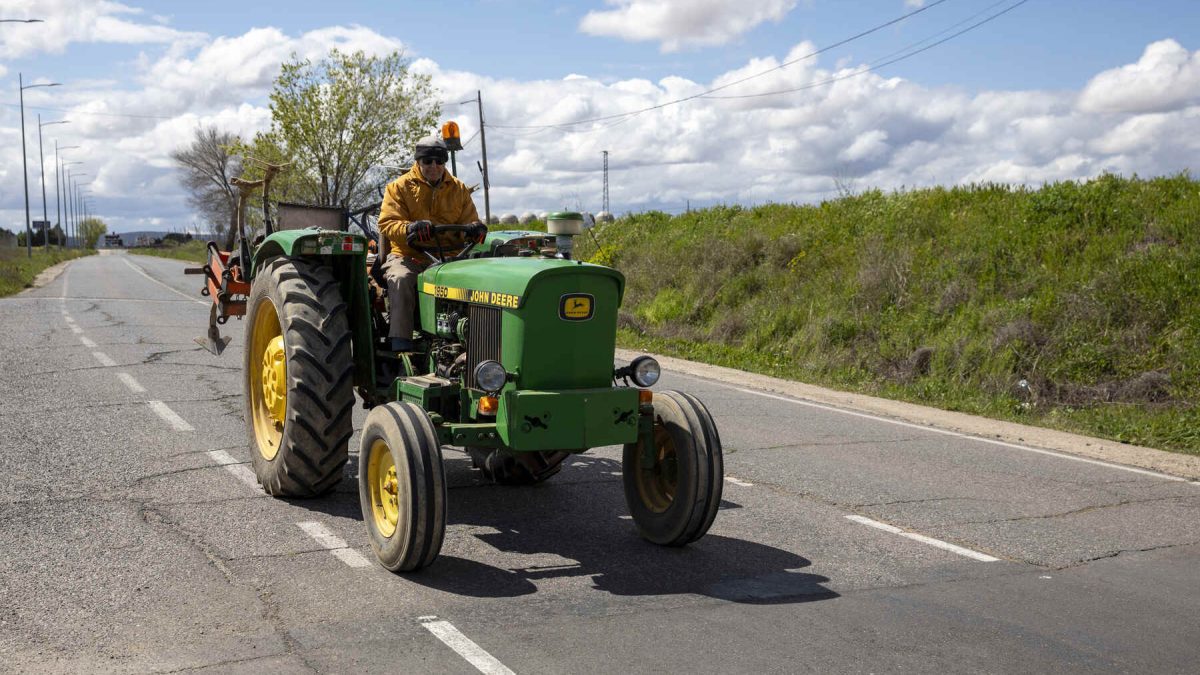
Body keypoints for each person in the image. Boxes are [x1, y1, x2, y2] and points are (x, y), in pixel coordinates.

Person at [378, 134, 486, 351]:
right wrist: (410, 228)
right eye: (428, 161)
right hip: (409, 256)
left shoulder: (459, 189)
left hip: (450, 259)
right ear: (418, 161)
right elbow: (387, 224)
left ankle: (478, 338)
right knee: (401, 279)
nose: (434, 166)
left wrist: (476, 228)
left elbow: (470, 221)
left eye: (439, 161)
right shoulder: (398, 188)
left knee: (481, 278)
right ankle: (401, 344)